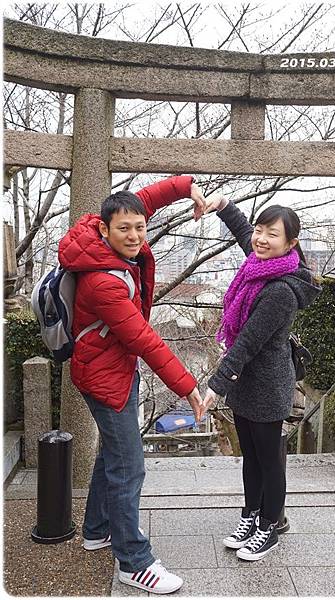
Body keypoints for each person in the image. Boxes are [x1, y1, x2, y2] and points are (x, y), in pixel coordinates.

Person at [58, 175, 206, 594]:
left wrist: (185, 187)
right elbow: (144, 338)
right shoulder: (103, 280)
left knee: (113, 453)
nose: (135, 234)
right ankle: (134, 561)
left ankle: (96, 529)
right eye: (125, 228)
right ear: (105, 229)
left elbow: (144, 200)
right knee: (129, 467)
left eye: (140, 227)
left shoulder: (94, 232)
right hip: (108, 377)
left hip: (103, 367)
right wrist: (187, 387)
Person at [200, 193, 321, 562]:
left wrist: (214, 385)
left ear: (291, 244)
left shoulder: (283, 289)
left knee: (269, 459)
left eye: (273, 233)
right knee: (250, 457)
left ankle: (269, 526)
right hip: (244, 383)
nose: (261, 238)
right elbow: (242, 233)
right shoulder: (260, 265)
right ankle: (250, 517)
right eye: (260, 230)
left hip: (268, 385)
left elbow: (248, 341)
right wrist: (222, 205)